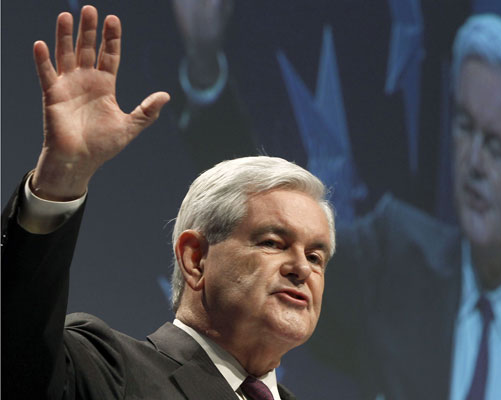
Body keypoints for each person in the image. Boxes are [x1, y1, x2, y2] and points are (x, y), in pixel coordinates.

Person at [177, 10, 501, 399]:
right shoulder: (397, 257)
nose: (474, 164)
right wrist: (206, 69)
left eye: (497, 147)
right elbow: (264, 217)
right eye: (466, 128)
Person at [1, 5, 335, 399]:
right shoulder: (109, 372)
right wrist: (60, 181)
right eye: (273, 242)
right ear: (195, 258)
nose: (301, 268)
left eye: (316, 256)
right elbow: (18, 344)